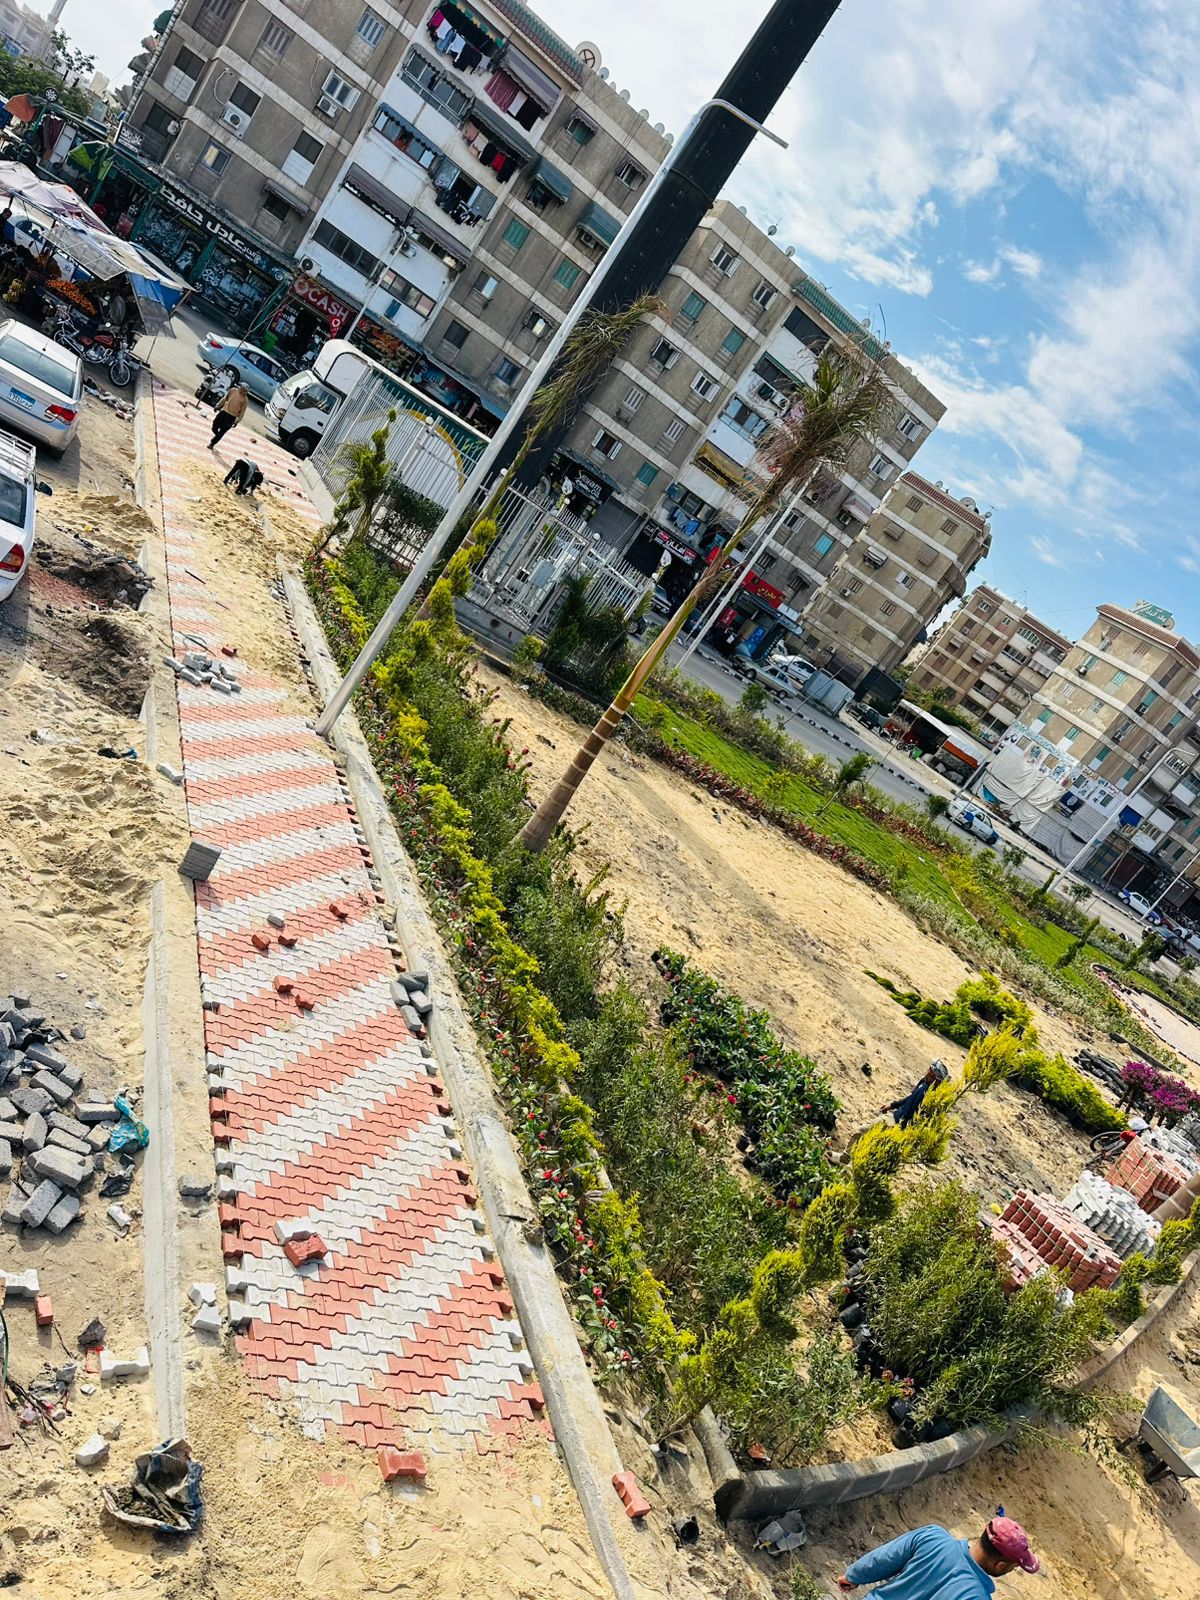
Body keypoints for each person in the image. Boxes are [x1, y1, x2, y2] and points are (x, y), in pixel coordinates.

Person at [838, 1515, 1039, 1600]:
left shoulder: (932, 1536)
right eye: (1013, 1567)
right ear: (1000, 1565)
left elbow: (885, 1558)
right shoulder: (976, 1597)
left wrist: (853, 1576)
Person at [882, 1059, 949, 1127]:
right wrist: (892, 1105)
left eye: (930, 1076)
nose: (926, 1075)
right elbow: (911, 1097)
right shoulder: (924, 1081)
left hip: (901, 1127)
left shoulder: (934, 1098)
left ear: (938, 1081)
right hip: (896, 1116)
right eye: (928, 1072)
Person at [208, 380, 248, 449]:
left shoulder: (245, 400)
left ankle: (212, 443)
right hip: (224, 412)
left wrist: (237, 421)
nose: (243, 392)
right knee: (215, 425)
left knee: (222, 431)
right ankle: (217, 436)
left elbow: (242, 412)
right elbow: (225, 399)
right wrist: (218, 406)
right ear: (240, 387)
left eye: (245, 391)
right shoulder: (233, 390)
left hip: (231, 417)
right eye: (243, 389)